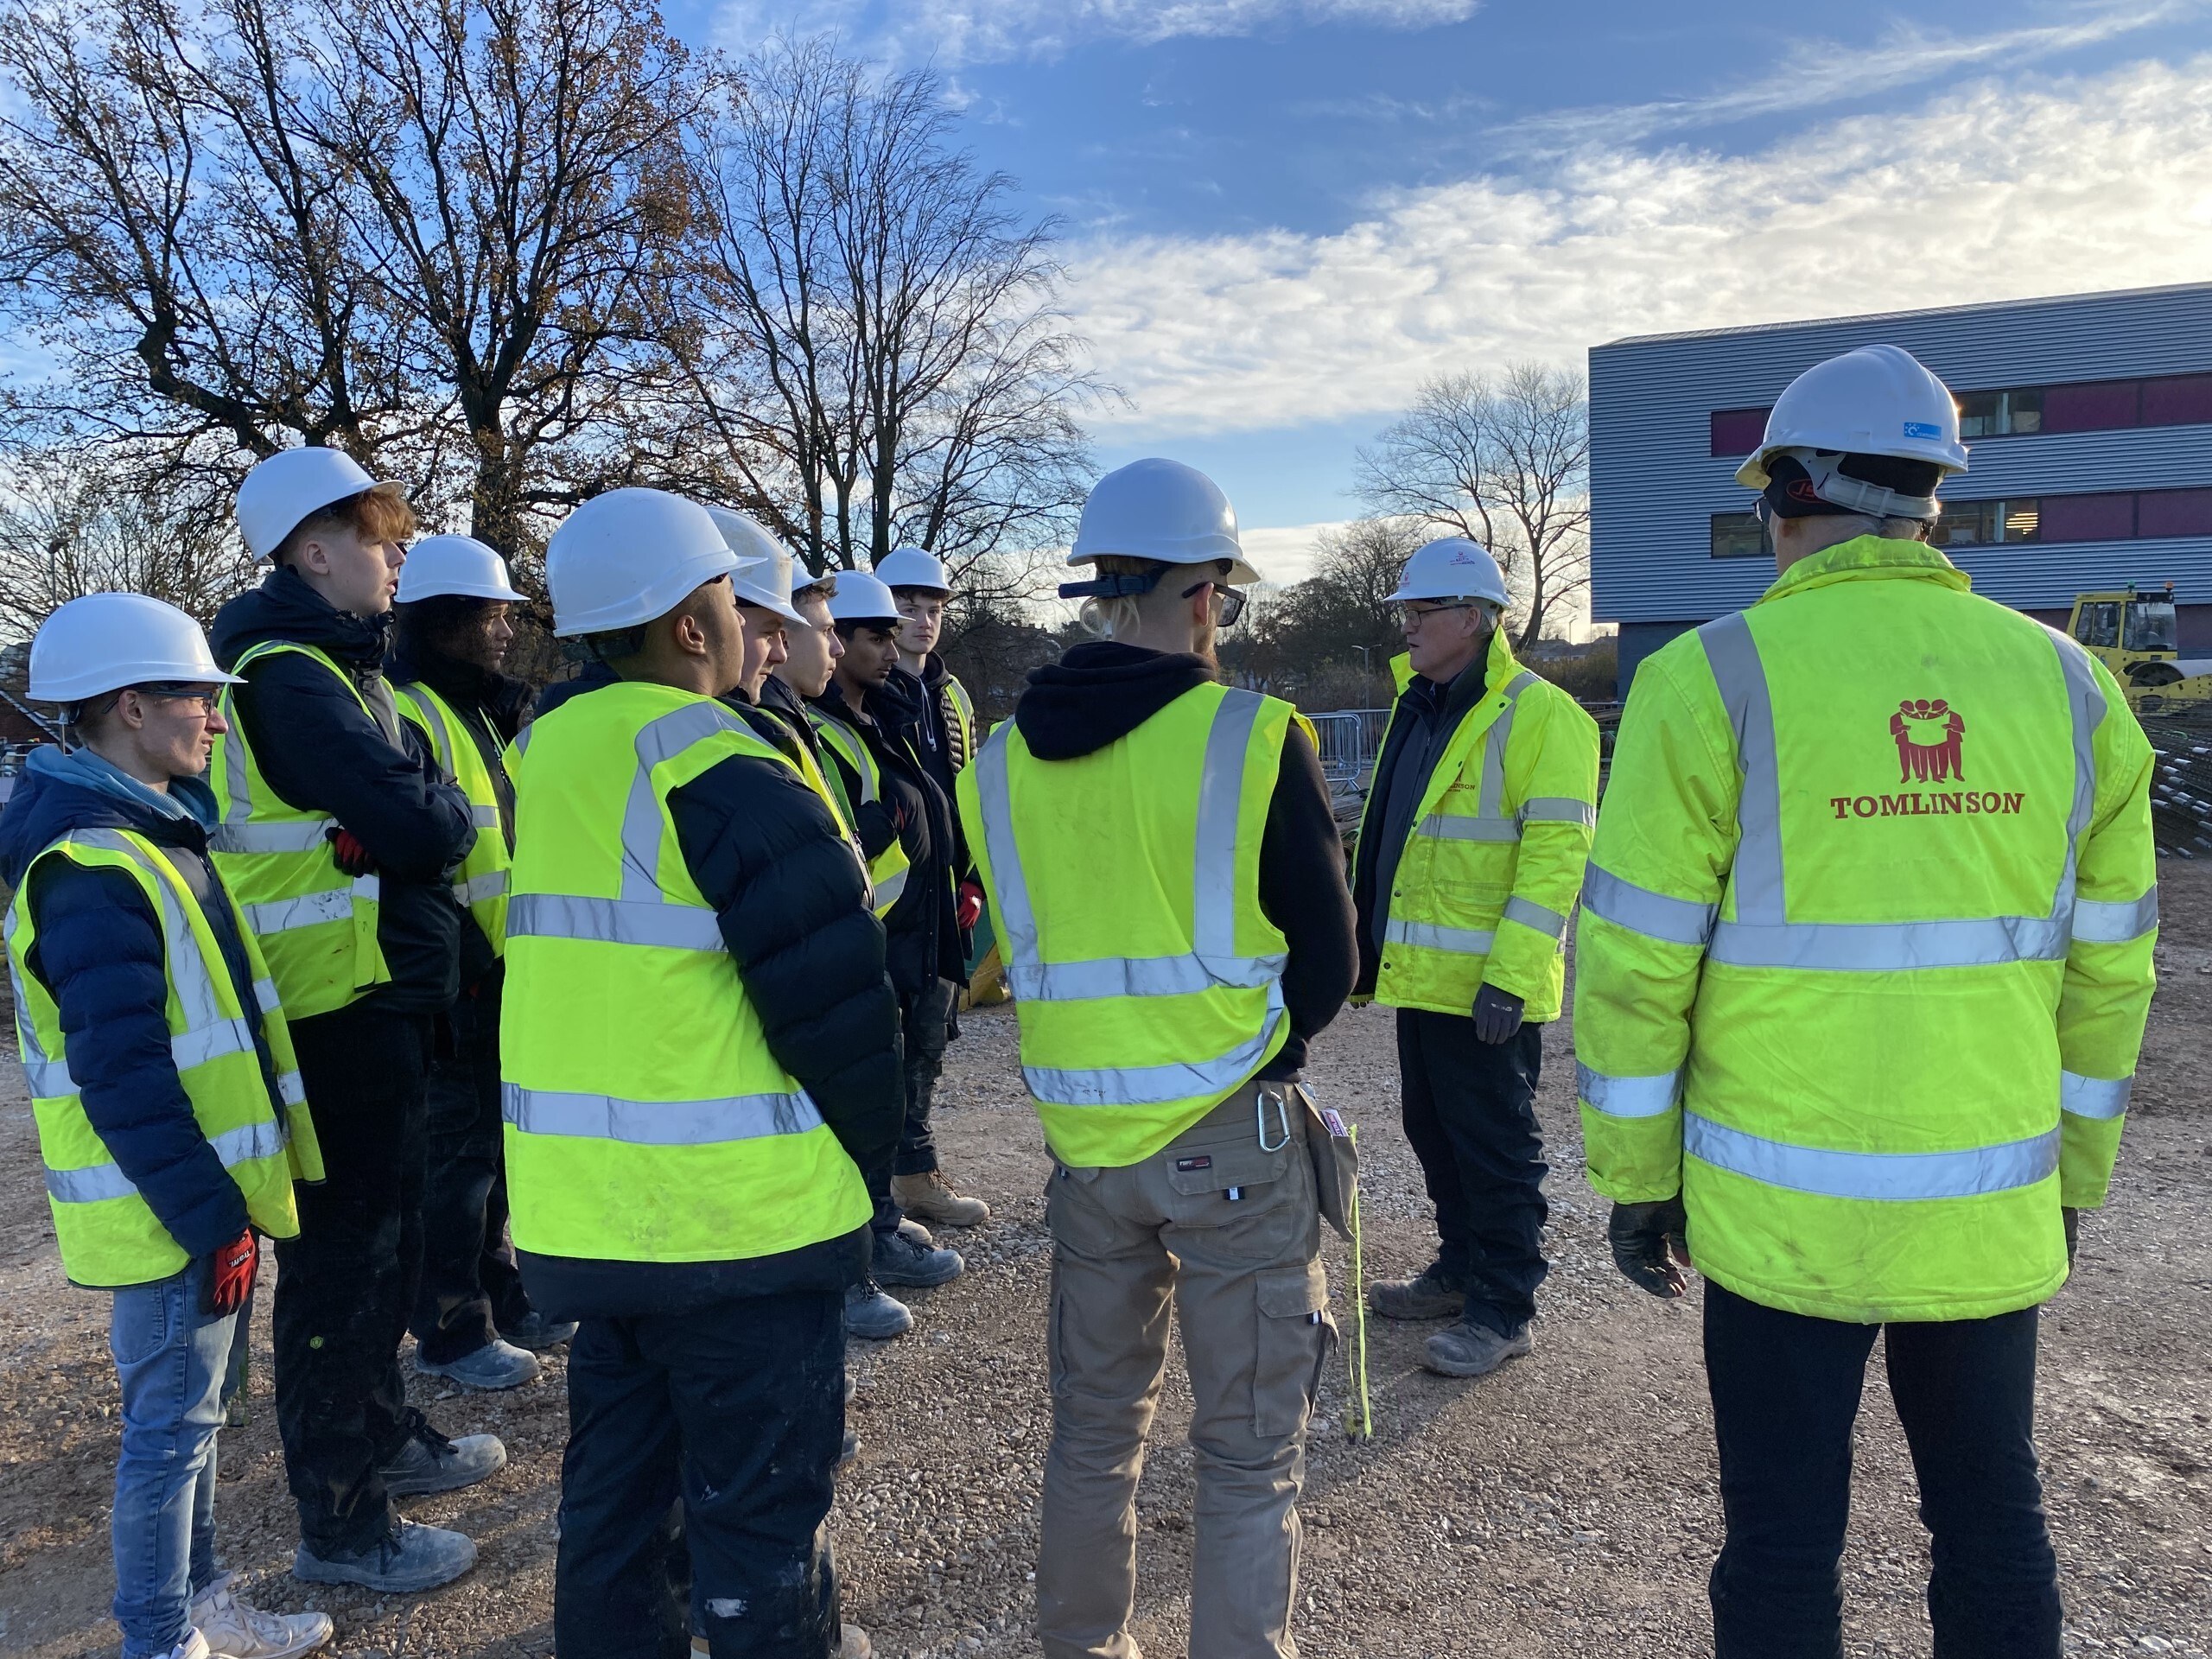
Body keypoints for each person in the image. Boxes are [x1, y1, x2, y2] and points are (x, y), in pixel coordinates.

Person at [1576, 344, 2158, 1659]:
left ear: (1791, 491)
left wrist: (1637, 1174)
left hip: (1782, 1219)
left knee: (1783, 1542)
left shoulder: (1708, 679)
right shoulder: (2069, 686)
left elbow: (1635, 963)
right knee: (1994, 1525)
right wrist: (2072, 1172)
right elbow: (2112, 967)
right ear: (1933, 498)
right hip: (1986, 1210)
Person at [957, 457, 1358, 1659]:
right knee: (1244, 1459)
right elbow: (1331, 964)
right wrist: (1256, 1050)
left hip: (1084, 1153)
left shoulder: (997, 763)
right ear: (1199, 597)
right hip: (1229, 1137)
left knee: (1092, 1437)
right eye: (1224, 599)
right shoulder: (1249, 737)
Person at [502, 487, 899, 1659]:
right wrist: (861, 1181)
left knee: (616, 1510)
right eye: (730, 595)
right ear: (689, 622)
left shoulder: (545, 752)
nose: (745, 619)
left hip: (594, 1223)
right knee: (758, 1521)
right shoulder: (713, 757)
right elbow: (840, 1010)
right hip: (738, 1226)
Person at [2, 594, 333, 1659]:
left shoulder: (141, 833)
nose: (220, 719)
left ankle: (200, 1607)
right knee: (168, 1439)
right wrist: (208, 1218)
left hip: (188, 1206)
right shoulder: (93, 865)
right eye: (201, 697)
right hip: (166, 1213)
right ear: (133, 706)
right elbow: (124, 1075)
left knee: (192, 1430)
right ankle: (160, 1637)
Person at [209, 448, 499, 1592]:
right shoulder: (289, 674)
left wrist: (408, 811)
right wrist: (410, 814)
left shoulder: (343, 667)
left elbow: (417, 813)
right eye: (381, 541)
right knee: (342, 1265)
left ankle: (381, 1439)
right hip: (332, 1006)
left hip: (377, 994)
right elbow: (429, 828)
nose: (398, 560)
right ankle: (342, 1524)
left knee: (388, 1251)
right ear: (314, 550)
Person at [1350, 537, 1599, 1379]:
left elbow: (1555, 857)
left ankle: (1503, 1307)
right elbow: (1394, 833)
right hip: (1425, 977)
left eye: (1421, 611)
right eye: (1405, 611)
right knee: (1433, 1130)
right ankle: (1459, 1271)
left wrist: (1512, 974)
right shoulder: (1417, 707)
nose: (1406, 625)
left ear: (1474, 617)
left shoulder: (1541, 716)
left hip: (1488, 987)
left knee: (1495, 1147)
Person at [391, 535, 575, 1391]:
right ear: (446, 621)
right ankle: (451, 1327)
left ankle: (505, 1295)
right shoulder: (410, 709)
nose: (506, 631)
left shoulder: (476, 710)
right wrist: (466, 964)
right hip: (458, 973)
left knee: (494, 1153)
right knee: (456, 1160)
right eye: (492, 616)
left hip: (500, 966)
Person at [812, 569, 970, 1340]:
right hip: (869, 941)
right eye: (875, 631)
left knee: (908, 1067)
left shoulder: (888, 713)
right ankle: (856, 1251)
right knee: (857, 1099)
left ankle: (883, 1213)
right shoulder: (815, 726)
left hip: (909, 931)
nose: (893, 639)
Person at [857, 549, 991, 1233]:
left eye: (934, 608)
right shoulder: (865, 695)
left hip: (945, 889)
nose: (923, 620)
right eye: (907, 607)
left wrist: (970, 876)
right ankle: (882, 1187)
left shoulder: (952, 695)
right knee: (892, 1039)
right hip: (892, 897)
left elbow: (960, 795)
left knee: (933, 1036)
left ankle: (916, 1175)